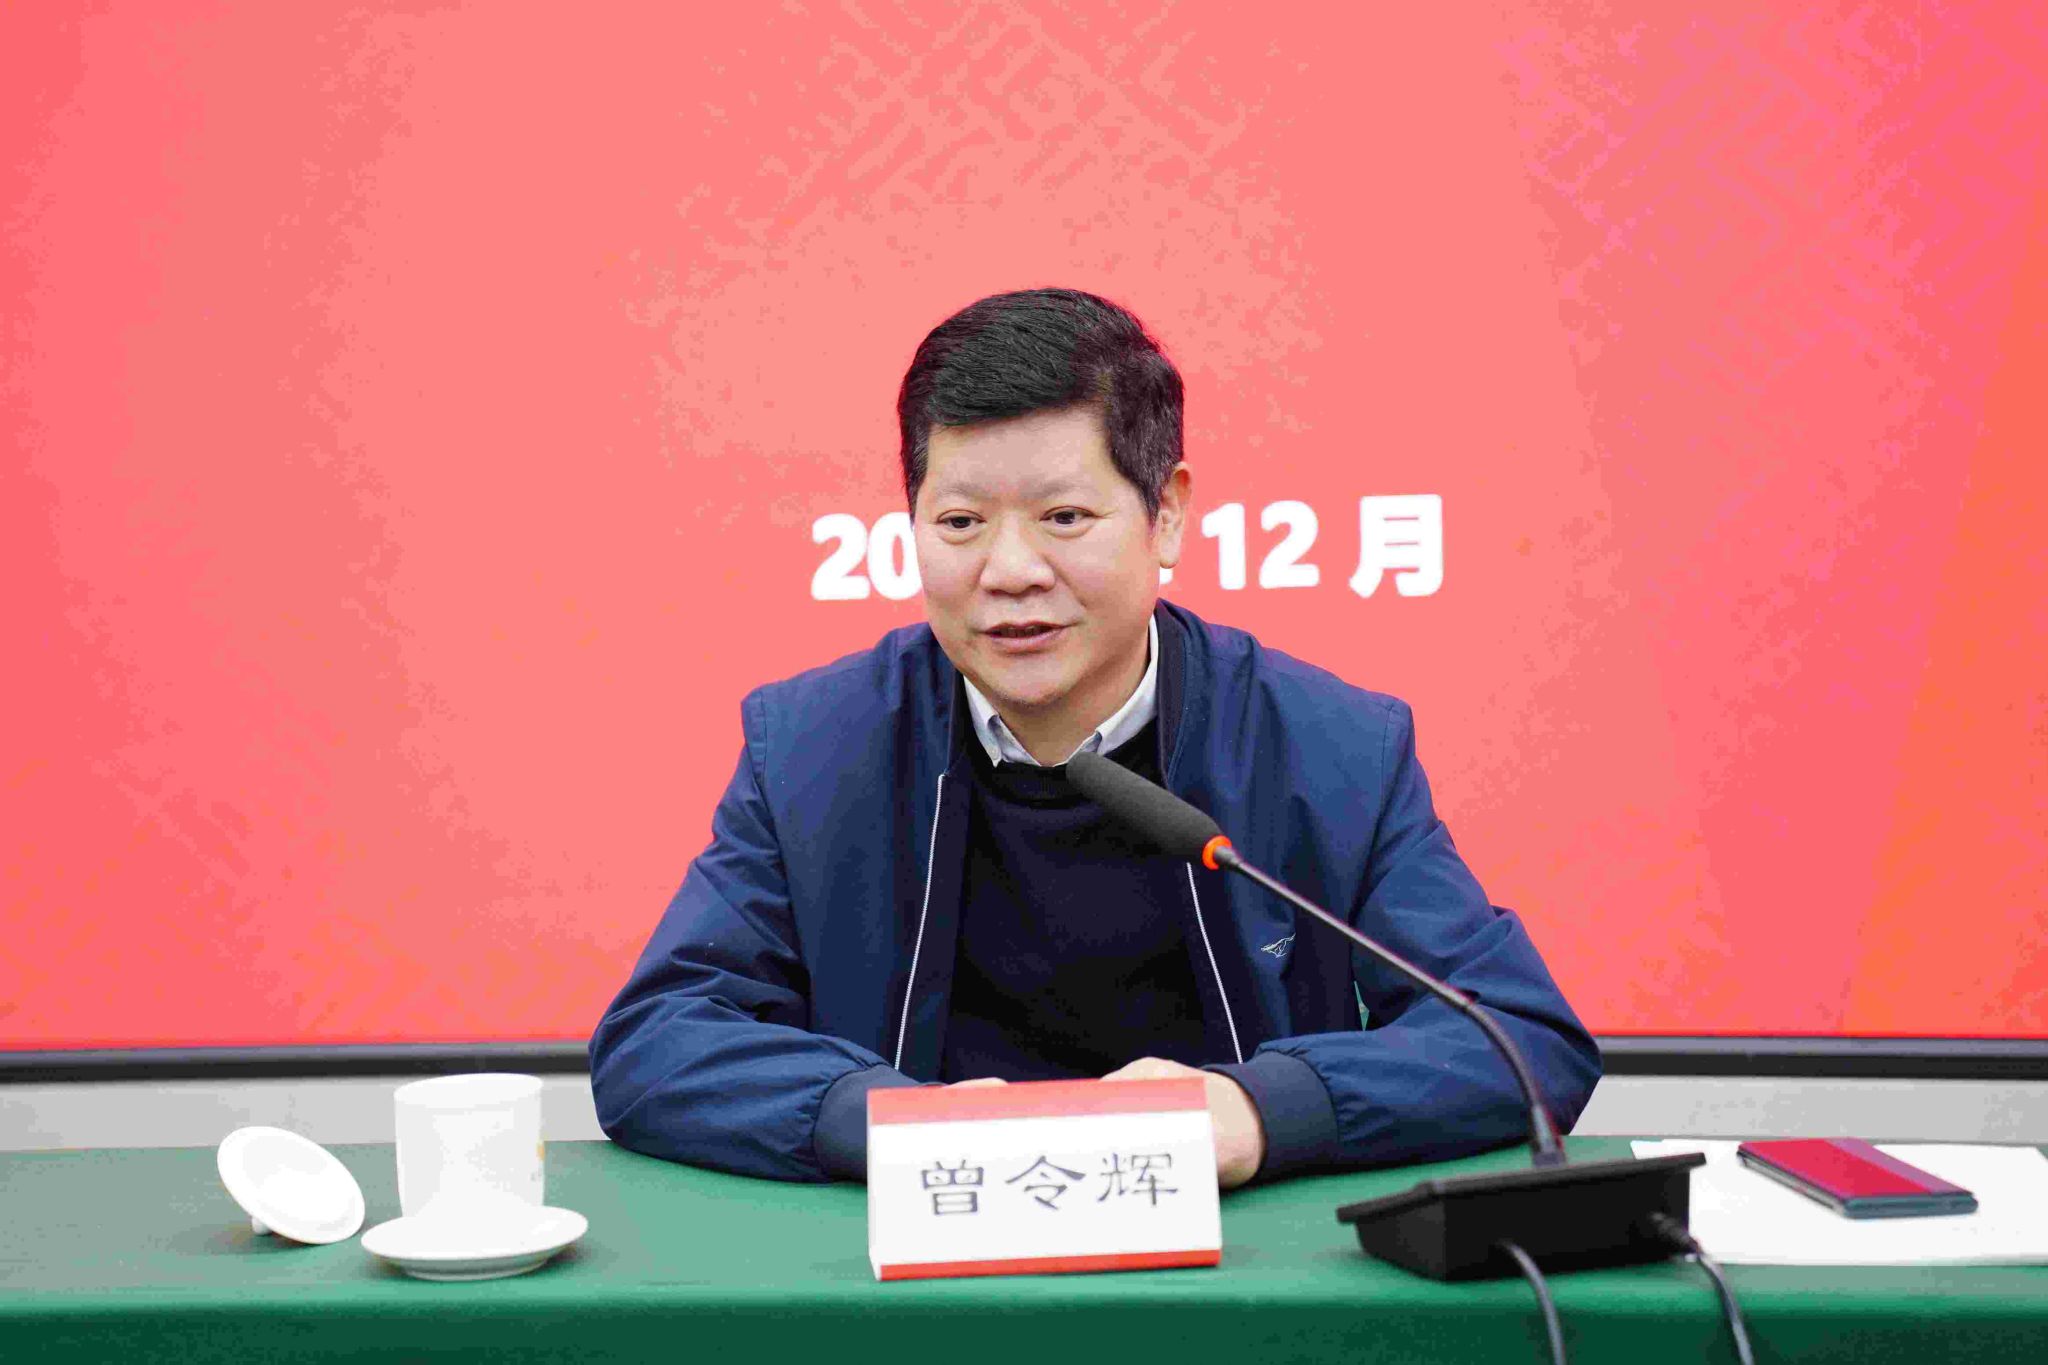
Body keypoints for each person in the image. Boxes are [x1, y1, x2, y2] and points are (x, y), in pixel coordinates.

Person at [590, 288, 1600, 1187]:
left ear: (1168, 516)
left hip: (1233, 1269)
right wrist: (887, 1122)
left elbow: (1519, 1037)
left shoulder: (1327, 747)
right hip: (927, 1265)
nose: (1010, 570)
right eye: (959, 523)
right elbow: (655, 1041)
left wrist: (1256, 1111)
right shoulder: (815, 747)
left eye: (1064, 517)